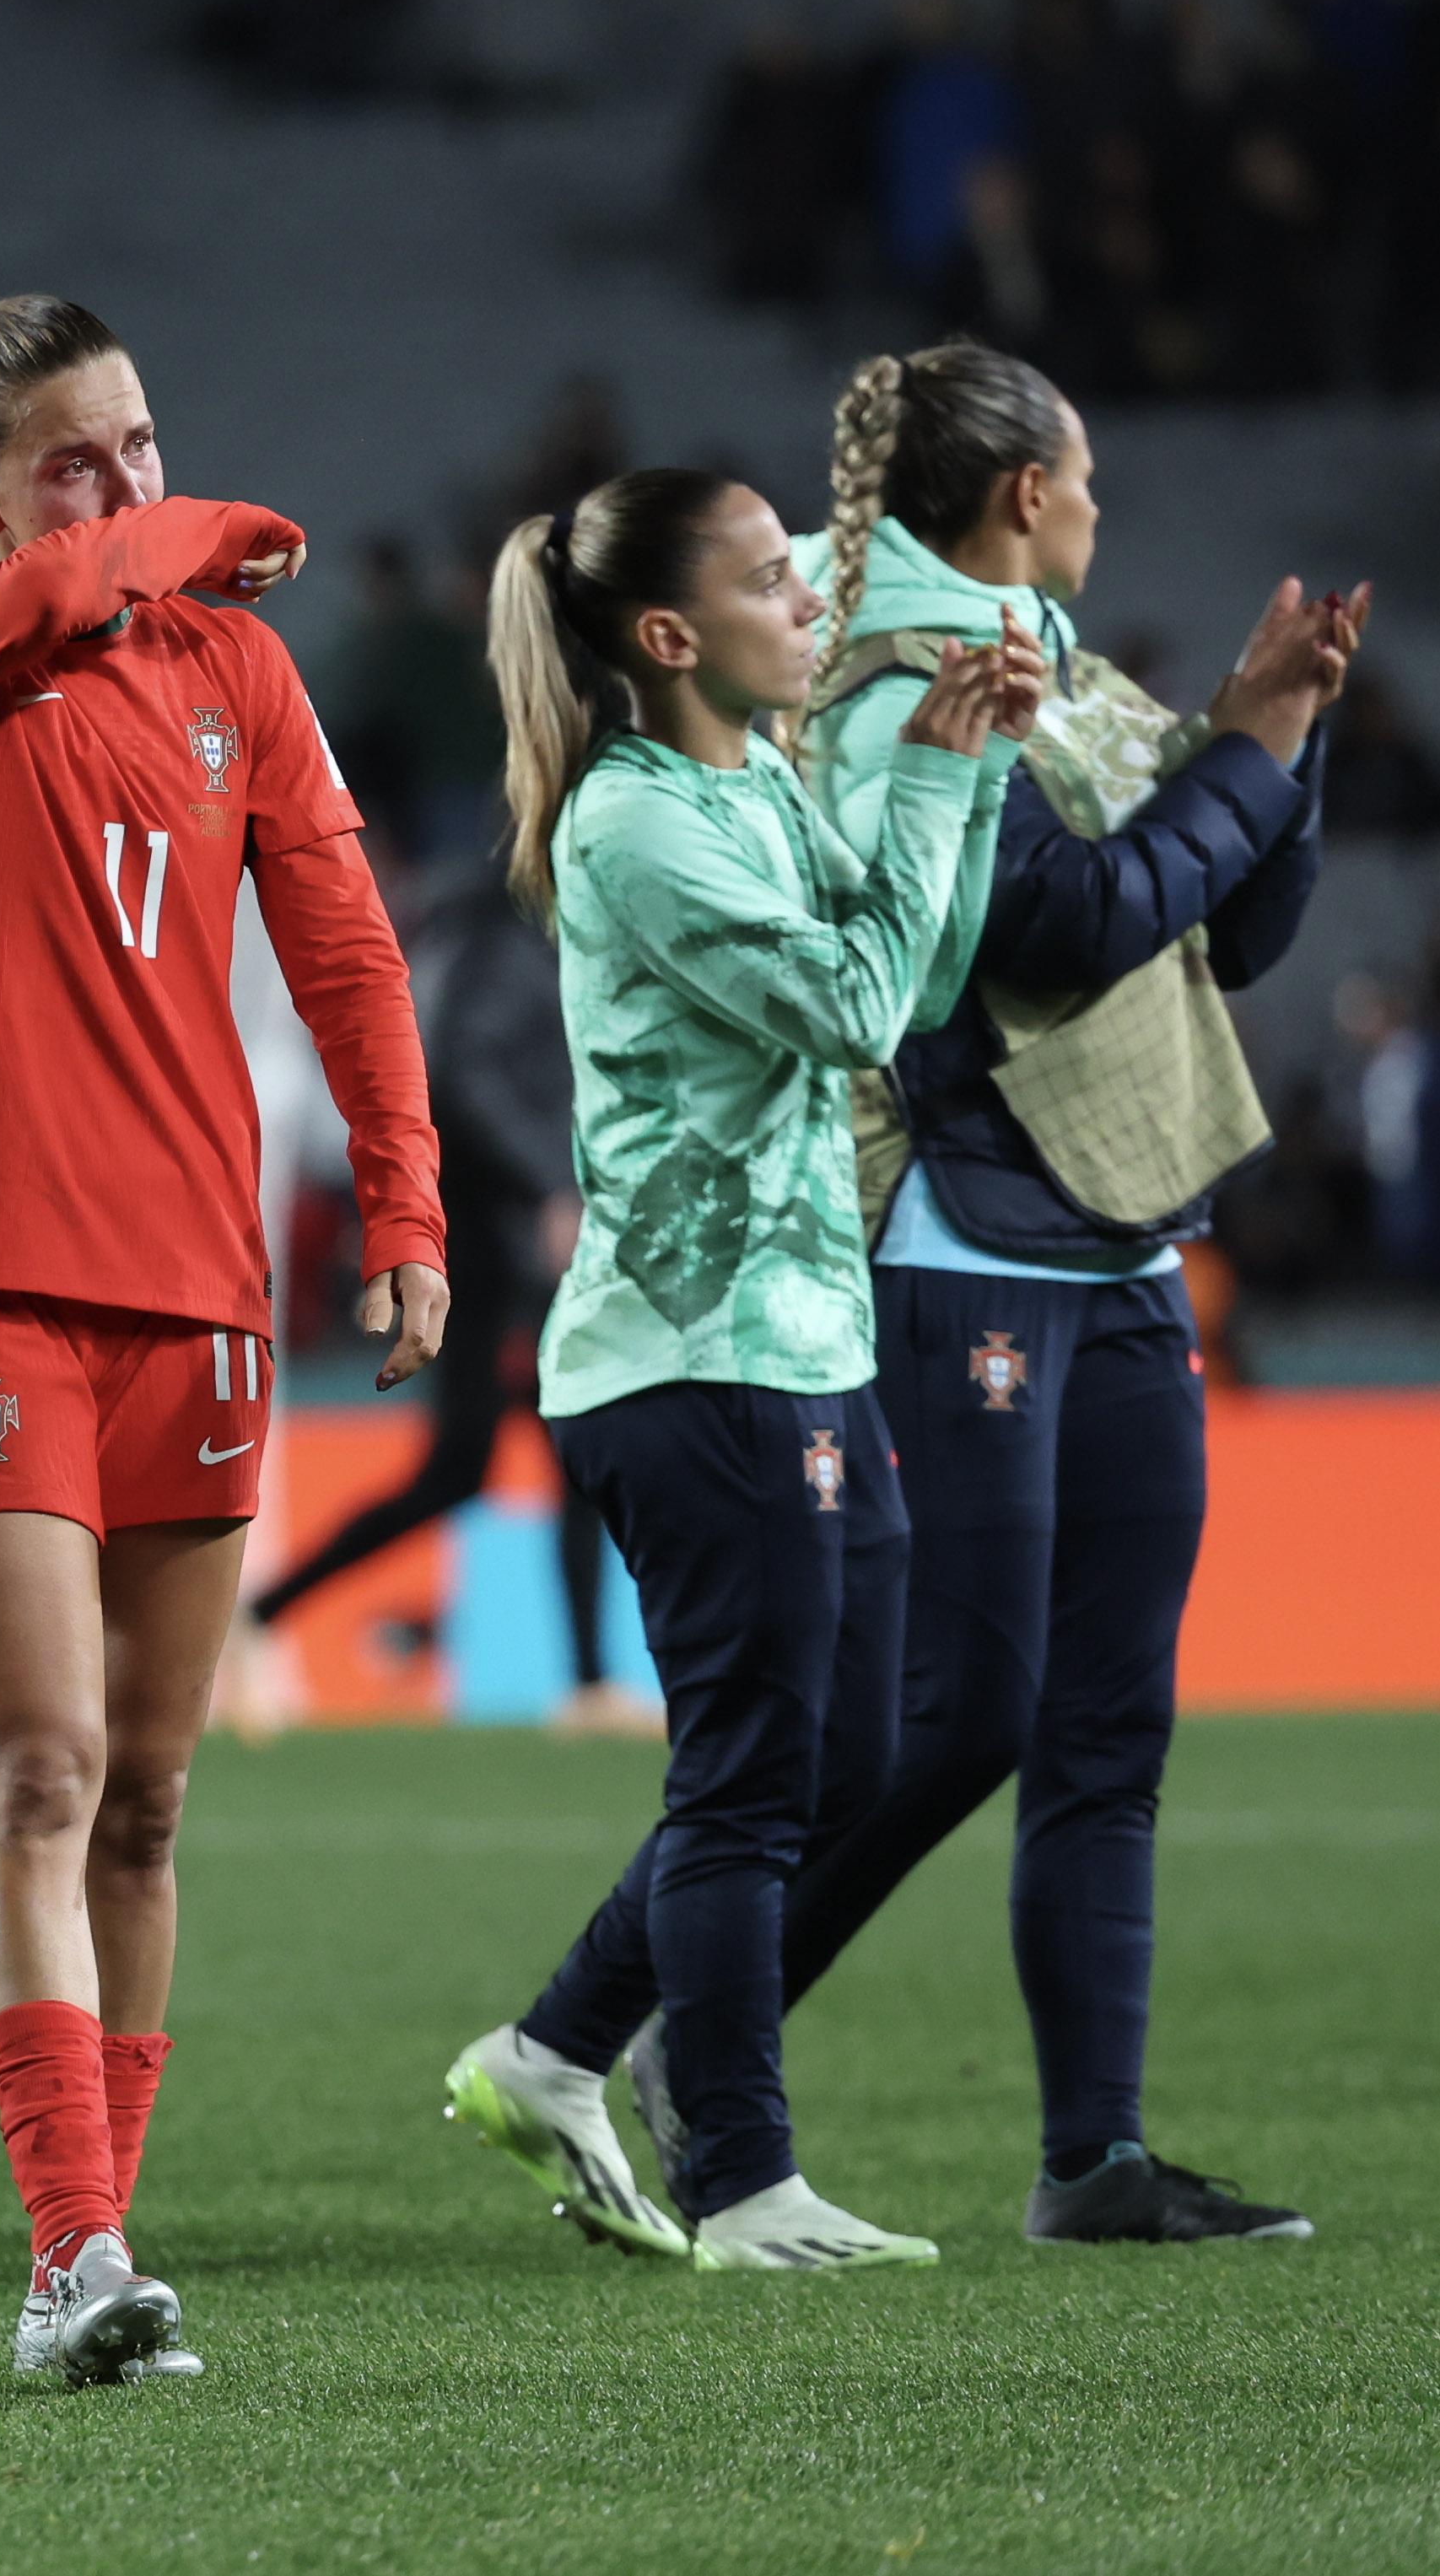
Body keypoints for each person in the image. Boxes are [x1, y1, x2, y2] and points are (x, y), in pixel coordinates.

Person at [618, 347, 1352, 2248]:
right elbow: (1069, 923)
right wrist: (1243, 752)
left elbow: (1234, 924)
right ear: (1021, 488)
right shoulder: (896, 684)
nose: (1100, 508)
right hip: (956, 1238)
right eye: (1084, 476)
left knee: (1102, 1726)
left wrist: (1290, 733)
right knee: (952, 1713)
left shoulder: (1055, 663)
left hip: (1111, 1245)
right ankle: (669, 2051)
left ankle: (1090, 2158)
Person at [0, 297, 445, 2385]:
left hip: (199, 1286)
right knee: (37, 1764)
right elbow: (82, 585)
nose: (125, 487)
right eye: (75, 458)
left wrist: (404, 1196)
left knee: (153, 1799)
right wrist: (191, 530)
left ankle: (108, 2248)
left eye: (144, 443)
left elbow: (347, 945)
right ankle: (69, 2253)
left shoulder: (236, 664)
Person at [440, 465, 1034, 2277]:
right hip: (686, 1358)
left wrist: (968, 766)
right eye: (774, 578)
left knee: (842, 1749)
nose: (809, 602)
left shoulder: (751, 775)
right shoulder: (632, 821)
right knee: (753, 1772)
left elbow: (912, 975)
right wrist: (925, 781)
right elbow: (850, 1008)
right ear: (667, 635)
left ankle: (547, 2048)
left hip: (800, 1334)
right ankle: (741, 2176)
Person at [239, 844, 643, 1734]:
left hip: (491, 1245)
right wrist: (546, 1185)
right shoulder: (511, 949)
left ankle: (260, 1617)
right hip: (499, 1250)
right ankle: (584, 1682)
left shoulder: (489, 938)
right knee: (553, 1454)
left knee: (472, 1465)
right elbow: (463, 1075)